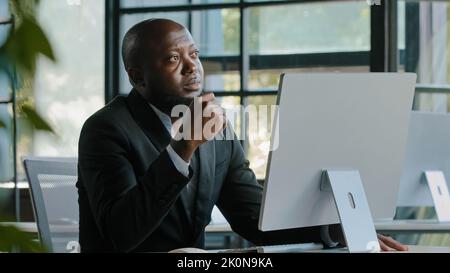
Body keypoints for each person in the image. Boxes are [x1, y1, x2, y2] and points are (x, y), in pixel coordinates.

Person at [77, 18, 407, 253]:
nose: (192, 67)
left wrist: (337, 229)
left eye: (194, 54)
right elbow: (121, 235)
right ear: (138, 77)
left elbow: (253, 219)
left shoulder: (216, 130)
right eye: (173, 59)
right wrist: (182, 149)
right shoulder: (106, 129)